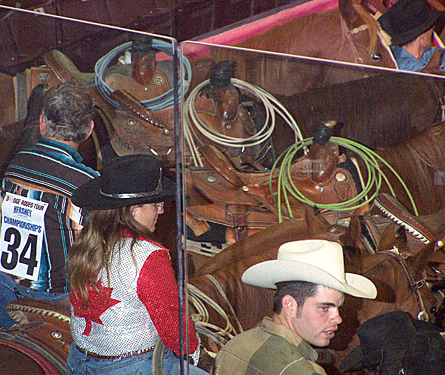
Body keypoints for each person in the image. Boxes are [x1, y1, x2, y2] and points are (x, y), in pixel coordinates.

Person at [0, 80, 99, 328]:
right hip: (56, 295)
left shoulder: (17, 164)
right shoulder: (88, 184)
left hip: (12, 282)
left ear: (41, 123)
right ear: (89, 130)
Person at [66, 154, 208, 375]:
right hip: (132, 366)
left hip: (79, 359)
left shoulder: (84, 245)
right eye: (156, 204)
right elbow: (172, 327)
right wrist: (197, 350)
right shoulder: (149, 256)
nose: (161, 211)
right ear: (134, 210)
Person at [212, 239, 378, 375]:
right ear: (289, 305)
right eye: (324, 308)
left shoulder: (235, 345)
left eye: (338, 308)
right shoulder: (301, 370)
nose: (338, 319)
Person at [378, 0, 445, 73]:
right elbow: (426, 78)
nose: (433, 31)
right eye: (431, 29)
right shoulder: (401, 66)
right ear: (422, 38)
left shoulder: (428, 53)